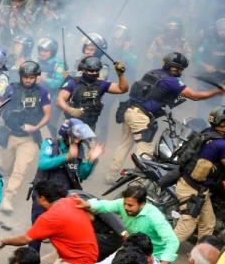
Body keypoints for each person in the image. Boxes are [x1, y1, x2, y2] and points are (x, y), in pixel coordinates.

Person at [108, 52, 224, 181]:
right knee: (145, 151)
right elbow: (195, 96)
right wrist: (218, 91)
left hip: (130, 111)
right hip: (141, 116)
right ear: (174, 67)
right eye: (179, 68)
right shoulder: (171, 80)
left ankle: (111, 176)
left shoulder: (153, 72)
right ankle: (139, 182)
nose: (180, 71)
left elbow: (156, 94)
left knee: (124, 145)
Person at [0, 181, 98, 264]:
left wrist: (3, 241)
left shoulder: (49, 217)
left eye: (36, 196)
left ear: (42, 198)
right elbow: (91, 218)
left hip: (77, 262)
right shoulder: (71, 200)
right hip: (83, 251)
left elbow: (25, 239)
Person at [0, 61, 52, 213]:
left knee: (20, 169)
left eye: (31, 77)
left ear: (36, 77)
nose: (28, 80)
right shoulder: (11, 89)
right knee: (5, 168)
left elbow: (47, 115)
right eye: (25, 77)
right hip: (10, 135)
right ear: (21, 76)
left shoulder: (42, 92)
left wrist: (36, 127)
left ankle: (7, 199)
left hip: (29, 138)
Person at [76, 183, 180, 264]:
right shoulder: (123, 204)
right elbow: (105, 205)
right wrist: (87, 204)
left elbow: (172, 241)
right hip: (134, 249)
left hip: (155, 257)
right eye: (124, 204)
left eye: (130, 205)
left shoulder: (154, 217)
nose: (125, 207)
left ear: (142, 204)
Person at [31, 119, 103, 235]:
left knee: (63, 229)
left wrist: (91, 160)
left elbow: (81, 174)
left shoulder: (79, 149)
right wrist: (66, 157)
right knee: (37, 227)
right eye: (76, 137)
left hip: (63, 195)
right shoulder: (50, 144)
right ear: (67, 134)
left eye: (80, 138)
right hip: (43, 192)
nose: (78, 140)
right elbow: (43, 164)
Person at [172, 107, 225, 244]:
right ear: (222, 124)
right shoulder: (221, 144)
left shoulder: (208, 133)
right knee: (187, 227)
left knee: (208, 224)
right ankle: (160, 255)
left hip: (198, 188)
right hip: (192, 190)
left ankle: (199, 255)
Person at [57, 55, 129, 131]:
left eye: (96, 71)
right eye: (91, 71)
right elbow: (60, 100)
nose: (94, 73)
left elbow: (122, 89)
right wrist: (71, 110)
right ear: (84, 70)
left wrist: (120, 74)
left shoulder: (101, 84)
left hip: (90, 125)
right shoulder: (73, 83)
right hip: (72, 123)